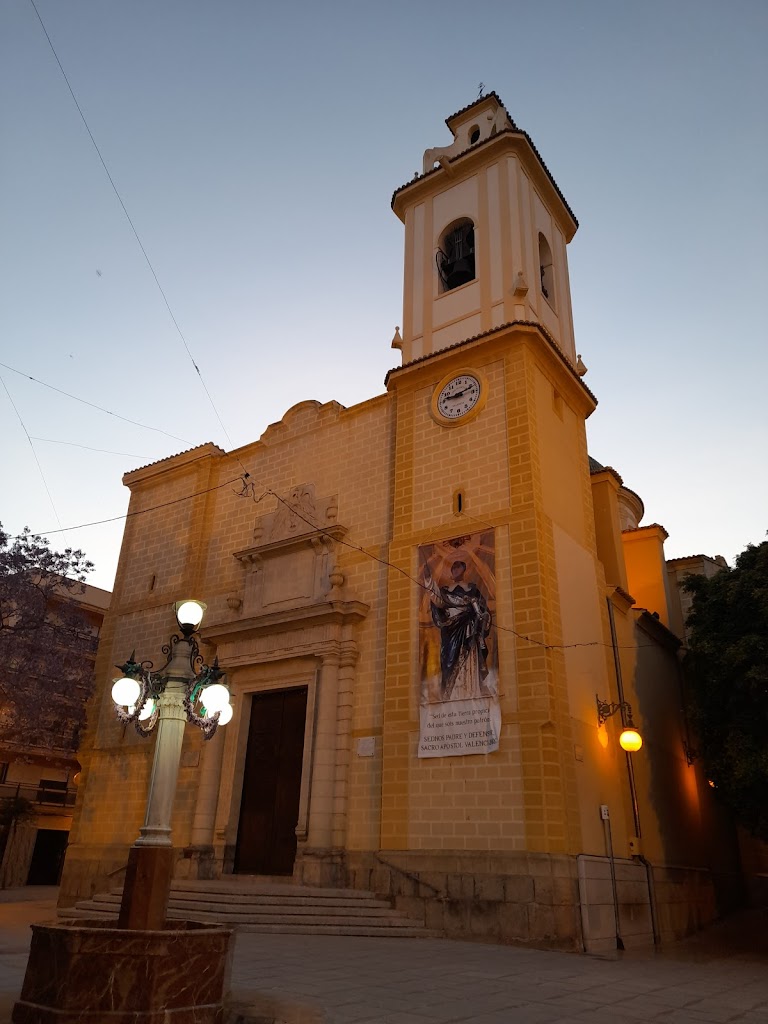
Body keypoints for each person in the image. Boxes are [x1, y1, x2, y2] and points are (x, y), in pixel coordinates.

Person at [423, 560, 492, 700]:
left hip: (469, 629)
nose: (455, 570)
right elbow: (437, 599)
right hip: (451, 630)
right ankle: (453, 695)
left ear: (464, 570)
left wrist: (483, 617)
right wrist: (428, 579)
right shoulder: (445, 591)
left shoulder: (472, 590)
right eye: (453, 567)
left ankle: (472, 691)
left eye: (459, 567)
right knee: (450, 661)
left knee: (470, 657)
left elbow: (484, 610)